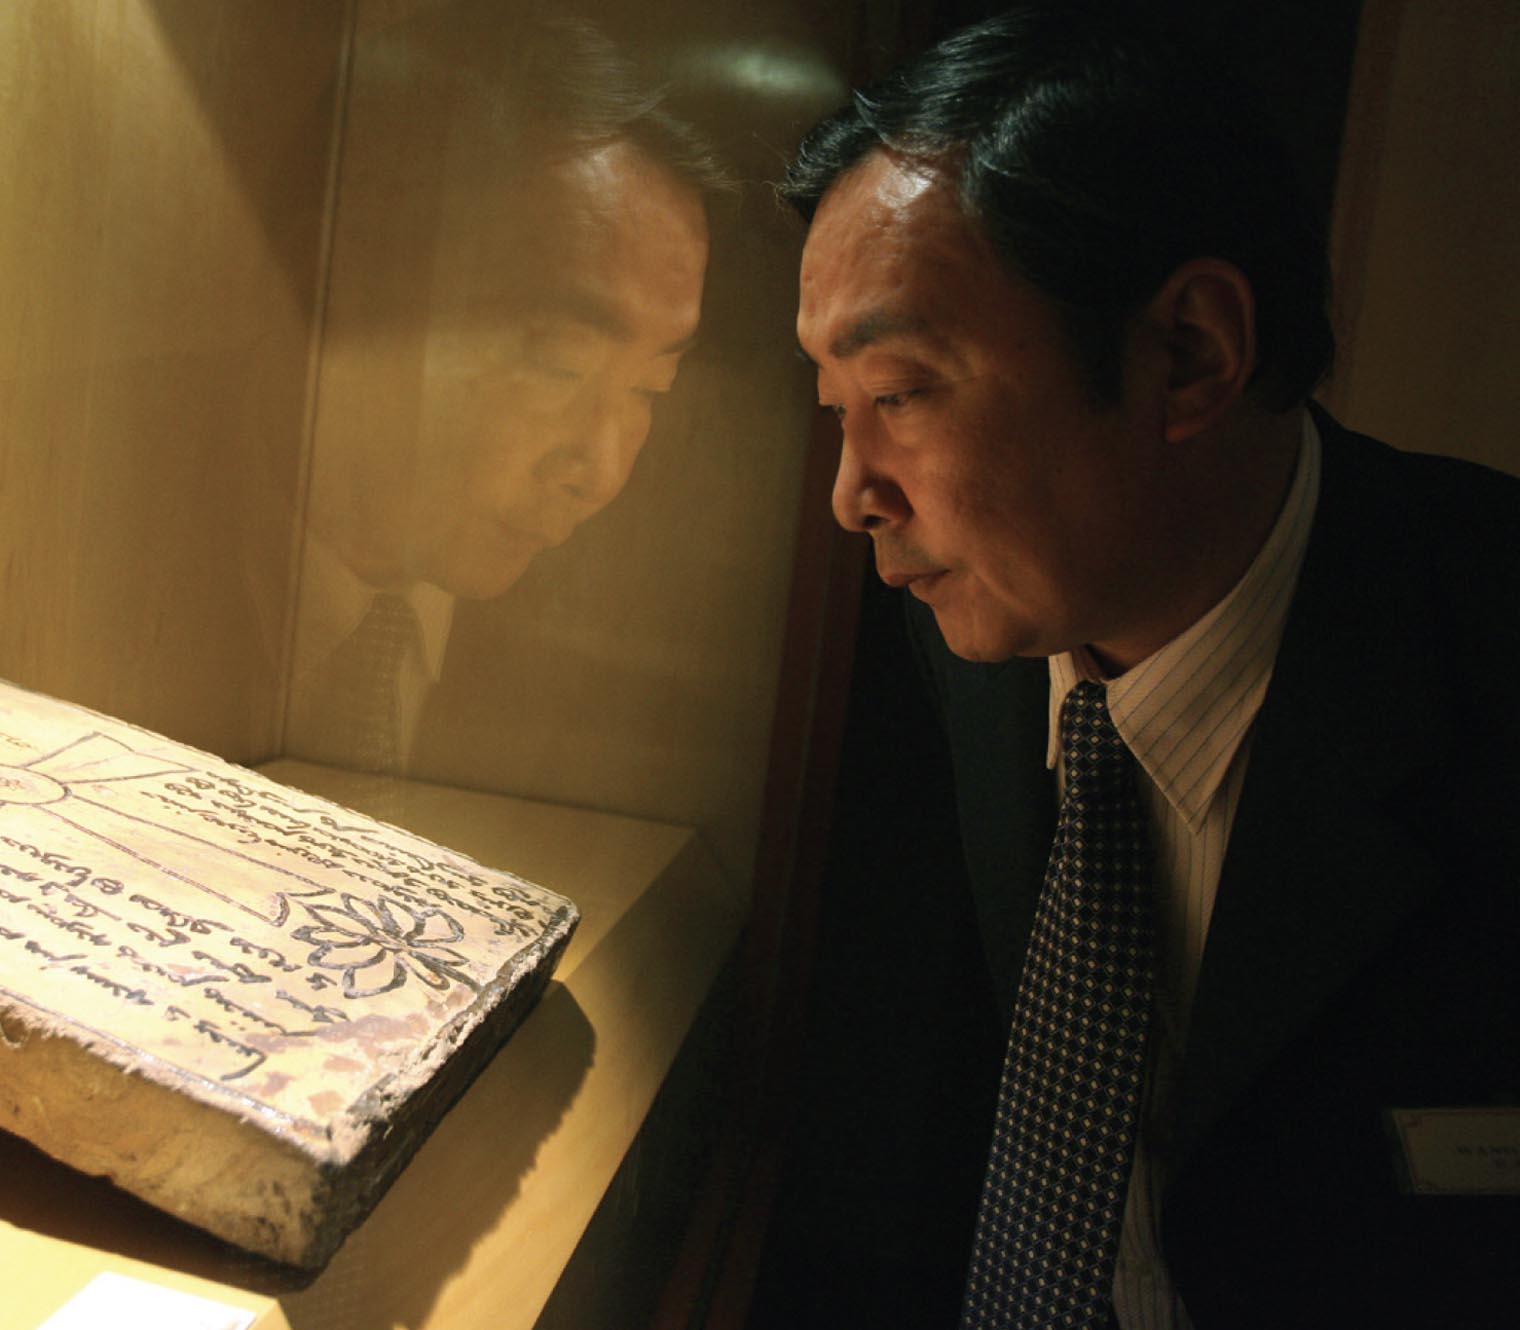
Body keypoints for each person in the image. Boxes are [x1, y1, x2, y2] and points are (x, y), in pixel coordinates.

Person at [768, 7, 1520, 1327]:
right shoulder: (978, 618)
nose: (851, 494)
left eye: (901, 391)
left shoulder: (1478, 642)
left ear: (1189, 354)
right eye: (835, 409)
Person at [287, 9, 727, 775]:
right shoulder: (94, 522)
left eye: (651, 388)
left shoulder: (616, 679)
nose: (601, 472)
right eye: (559, 365)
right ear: (351, 287)